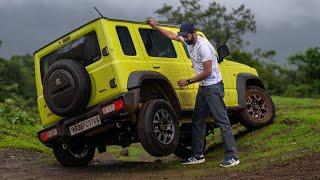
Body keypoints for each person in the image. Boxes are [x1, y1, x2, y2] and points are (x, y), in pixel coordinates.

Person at [147, 18, 240, 167]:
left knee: (222, 120)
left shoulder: (203, 47)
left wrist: (188, 81)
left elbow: (208, 72)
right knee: (197, 120)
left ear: (194, 33)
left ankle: (232, 156)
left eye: (187, 36)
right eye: (183, 36)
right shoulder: (188, 40)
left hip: (213, 87)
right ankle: (197, 155)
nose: (185, 39)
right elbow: (171, 35)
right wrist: (155, 26)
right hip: (204, 88)